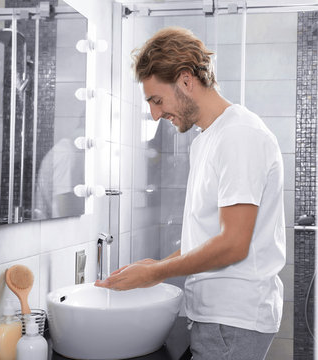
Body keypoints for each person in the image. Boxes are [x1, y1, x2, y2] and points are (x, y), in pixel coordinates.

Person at [95, 27, 286, 360]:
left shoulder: (238, 135)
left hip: (233, 320)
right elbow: (206, 237)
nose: (155, 114)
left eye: (157, 100)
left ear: (185, 81)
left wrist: (154, 273)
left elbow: (233, 243)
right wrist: (157, 264)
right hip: (219, 318)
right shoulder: (207, 139)